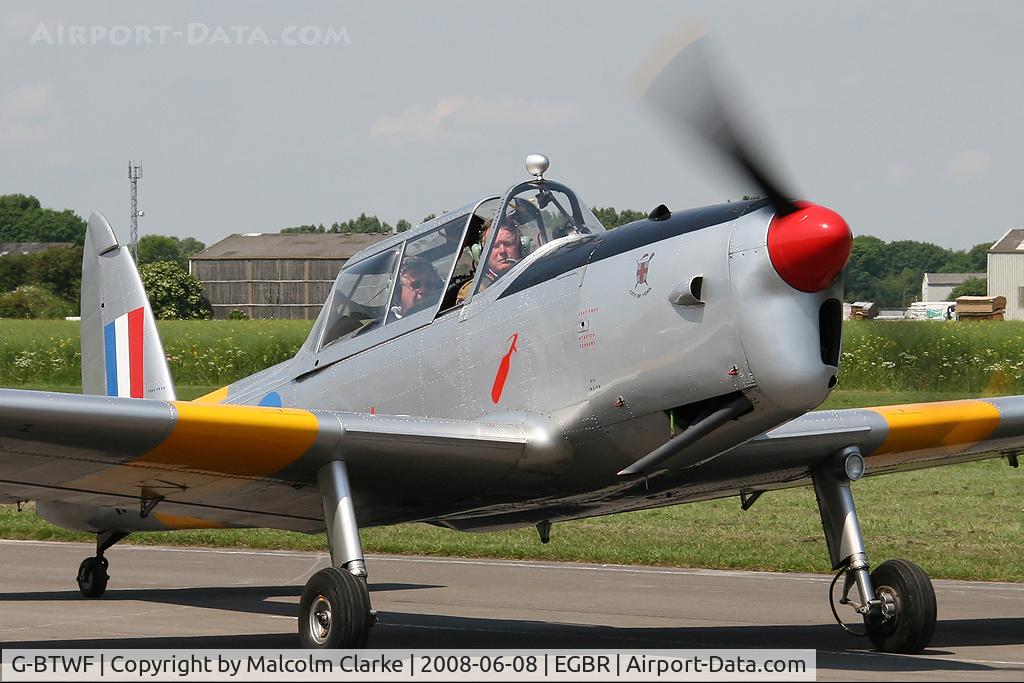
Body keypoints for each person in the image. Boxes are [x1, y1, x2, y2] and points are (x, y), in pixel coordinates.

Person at [455, 217, 522, 304]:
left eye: (508, 244)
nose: (502, 251)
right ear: (481, 252)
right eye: (494, 246)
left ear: (521, 247)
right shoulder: (472, 292)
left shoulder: (536, 273)